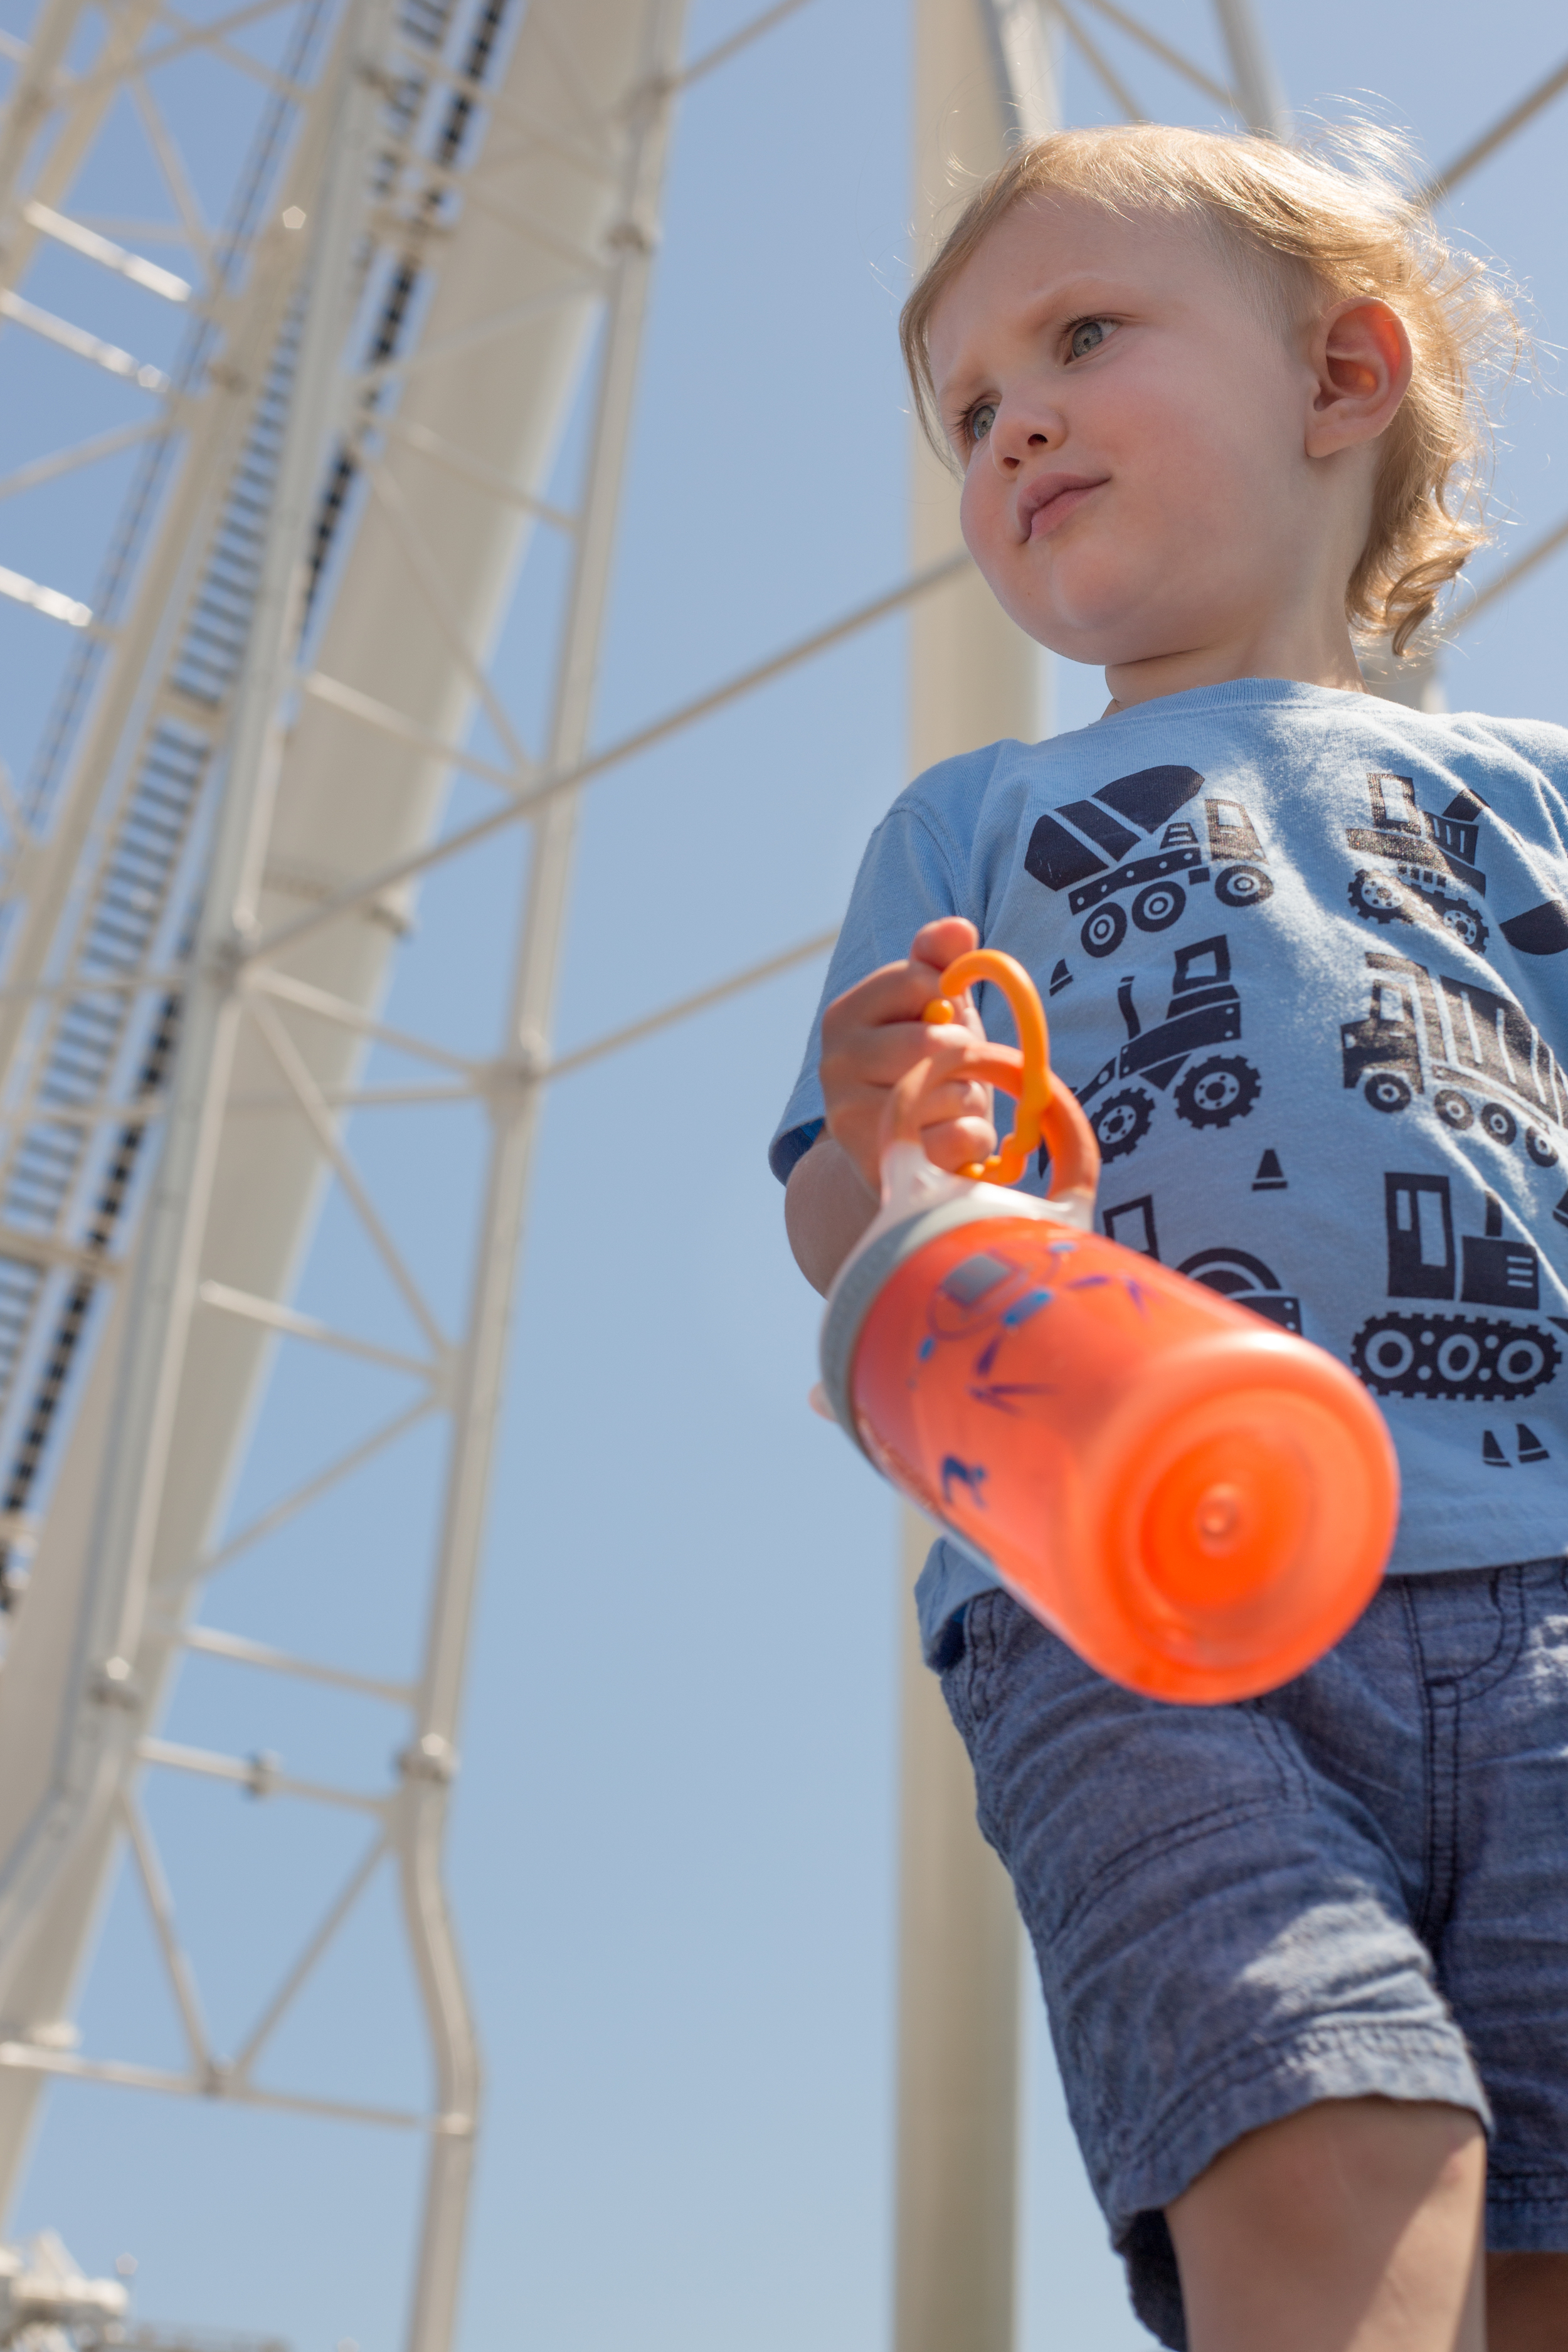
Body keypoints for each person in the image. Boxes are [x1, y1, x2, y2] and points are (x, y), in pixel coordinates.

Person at [770, 124, 1568, 2352]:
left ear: (1339, 379)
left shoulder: (1528, 790)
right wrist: (885, 1143)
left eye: (1081, 336)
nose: (1010, 424)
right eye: (965, 411)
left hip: (1544, 1575)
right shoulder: (973, 817)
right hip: (1124, 1588)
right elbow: (841, 1223)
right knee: (1312, 2139)